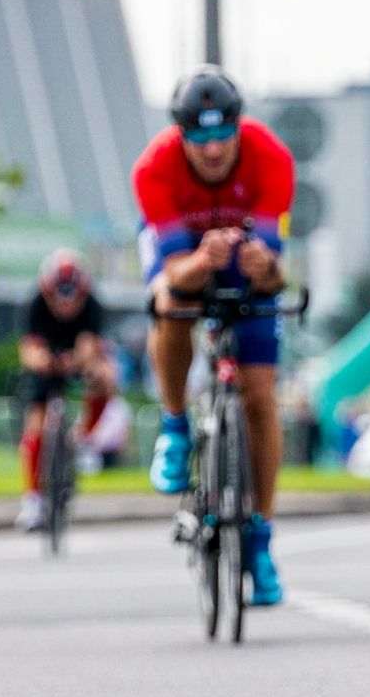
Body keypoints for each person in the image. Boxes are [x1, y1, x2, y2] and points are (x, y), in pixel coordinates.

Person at [132, 65, 296, 605]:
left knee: (259, 397)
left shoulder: (271, 157)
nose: (212, 148)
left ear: (238, 125)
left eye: (223, 133)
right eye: (199, 138)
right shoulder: (154, 168)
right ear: (180, 134)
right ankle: (175, 425)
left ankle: (261, 540)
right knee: (170, 304)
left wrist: (262, 265)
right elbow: (172, 274)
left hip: (244, 271)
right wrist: (203, 260)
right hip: (186, 264)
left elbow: (275, 277)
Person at [16, 249, 106, 531]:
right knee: (35, 426)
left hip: (76, 360)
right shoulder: (34, 304)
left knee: (104, 377)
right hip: (47, 364)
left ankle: (84, 439)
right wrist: (43, 361)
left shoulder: (92, 306)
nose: (66, 305)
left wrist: (79, 360)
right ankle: (32, 500)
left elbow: (91, 346)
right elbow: (28, 349)